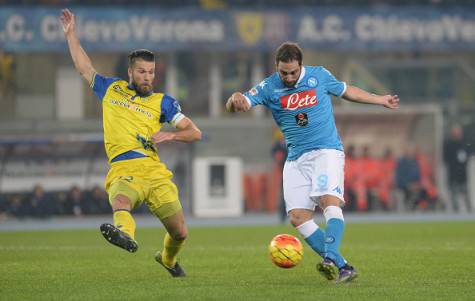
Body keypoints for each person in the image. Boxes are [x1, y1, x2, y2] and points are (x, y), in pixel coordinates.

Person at [226, 42, 399, 284]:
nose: (288, 77)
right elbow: (239, 103)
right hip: (296, 158)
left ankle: (329, 258)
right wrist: (235, 99)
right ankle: (343, 266)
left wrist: (379, 99)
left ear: (301, 66)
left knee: (329, 201)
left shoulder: (319, 75)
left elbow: (347, 91)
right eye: (283, 73)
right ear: (277, 67)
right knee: (298, 218)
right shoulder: (268, 86)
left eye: (293, 72)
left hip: (325, 152)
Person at [61, 9, 202, 277]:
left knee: (180, 232)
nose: (147, 77)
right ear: (130, 72)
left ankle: (168, 261)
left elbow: (194, 132)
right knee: (121, 199)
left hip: (154, 171)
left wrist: (171, 135)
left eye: (151, 72)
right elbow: (84, 67)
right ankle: (124, 233)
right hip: (124, 167)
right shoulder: (110, 89)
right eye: (142, 72)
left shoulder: (164, 102)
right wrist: (71, 35)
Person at [443, 124, 472, 212]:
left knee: (466, 196)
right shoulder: (448, 144)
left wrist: (465, 157)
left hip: (462, 175)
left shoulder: (465, 143)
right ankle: (456, 215)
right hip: (453, 175)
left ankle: (470, 214)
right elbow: (445, 158)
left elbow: (469, 154)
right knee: (454, 198)